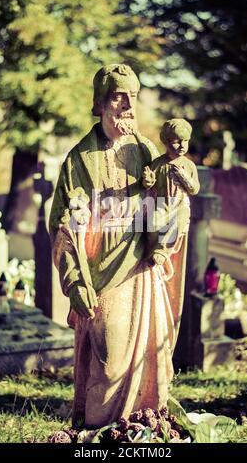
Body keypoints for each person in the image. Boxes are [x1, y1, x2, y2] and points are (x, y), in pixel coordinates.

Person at [49, 64, 189, 428]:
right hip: (101, 275)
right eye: (117, 97)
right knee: (109, 363)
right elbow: (63, 227)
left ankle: (139, 426)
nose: (127, 105)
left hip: (141, 268)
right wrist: (76, 281)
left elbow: (164, 206)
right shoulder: (79, 159)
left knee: (152, 360)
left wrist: (168, 216)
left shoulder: (146, 151)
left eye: (132, 97)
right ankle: (100, 432)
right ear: (99, 103)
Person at [142, 118, 200, 272]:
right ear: (166, 142)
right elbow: (148, 184)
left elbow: (194, 189)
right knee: (153, 222)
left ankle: (162, 251)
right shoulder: (159, 163)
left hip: (180, 205)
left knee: (179, 221)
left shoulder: (189, 165)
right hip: (162, 203)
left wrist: (184, 177)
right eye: (176, 141)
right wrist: (148, 181)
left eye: (185, 141)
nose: (182, 146)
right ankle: (150, 252)